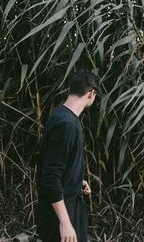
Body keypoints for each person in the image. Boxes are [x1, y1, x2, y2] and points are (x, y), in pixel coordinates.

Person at [37, 70, 99, 242]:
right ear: (91, 94)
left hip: (67, 205)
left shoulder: (62, 115)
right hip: (59, 214)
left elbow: (59, 163)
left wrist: (76, 179)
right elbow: (49, 176)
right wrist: (65, 222)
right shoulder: (66, 125)